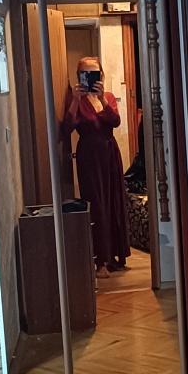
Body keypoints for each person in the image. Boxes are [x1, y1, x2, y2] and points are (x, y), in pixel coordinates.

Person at [61, 57, 131, 276]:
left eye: (95, 73)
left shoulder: (107, 96)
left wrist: (101, 99)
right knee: (96, 204)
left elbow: (115, 121)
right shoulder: (75, 99)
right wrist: (75, 101)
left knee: (114, 201)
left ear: (101, 75)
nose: (91, 78)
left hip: (110, 153)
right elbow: (66, 128)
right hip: (89, 156)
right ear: (79, 76)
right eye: (86, 74)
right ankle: (100, 260)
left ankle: (116, 256)